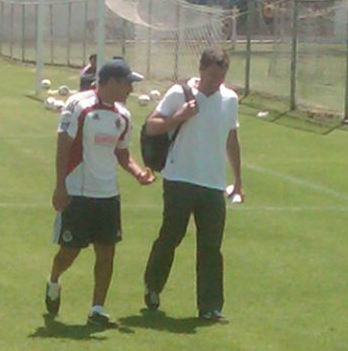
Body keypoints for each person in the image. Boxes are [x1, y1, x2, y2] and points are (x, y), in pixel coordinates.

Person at [45, 59, 155, 328]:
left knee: (106, 252)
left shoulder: (123, 116)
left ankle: (97, 309)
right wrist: (60, 186)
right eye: (128, 83)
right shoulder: (79, 106)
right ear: (112, 82)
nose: (131, 88)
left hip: (108, 194)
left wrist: (138, 172)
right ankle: (54, 280)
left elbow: (121, 153)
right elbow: (63, 145)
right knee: (69, 252)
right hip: (78, 193)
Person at [142, 46, 243, 324]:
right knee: (171, 236)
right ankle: (153, 285)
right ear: (200, 70)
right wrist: (179, 116)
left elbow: (231, 139)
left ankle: (210, 307)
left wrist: (238, 180)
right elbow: (152, 126)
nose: (216, 83)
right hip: (179, 179)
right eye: (211, 76)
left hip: (213, 184)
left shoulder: (230, 99)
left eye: (221, 77)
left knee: (211, 247)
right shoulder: (179, 93)